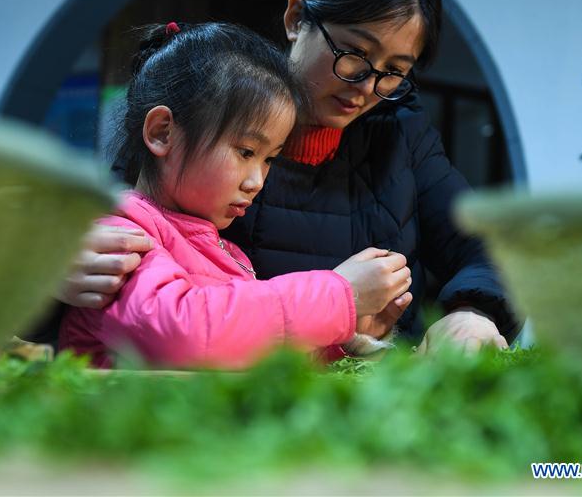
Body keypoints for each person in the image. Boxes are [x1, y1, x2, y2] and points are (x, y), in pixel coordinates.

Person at [60, 0, 519, 354]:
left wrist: (472, 314)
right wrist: (56, 270)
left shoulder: (402, 132)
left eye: (394, 71)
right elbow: (153, 309)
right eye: (354, 54)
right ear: (296, 18)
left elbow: (492, 248)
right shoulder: (201, 123)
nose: (365, 86)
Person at [59, 22, 414, 368]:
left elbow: (246, 348)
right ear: (162, 132)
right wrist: (340, 296)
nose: (257, 181)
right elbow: (187, 332)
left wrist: (345, 332)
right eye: (246, 152)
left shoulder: (228, 255)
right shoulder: (123, 236)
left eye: (269, 158)